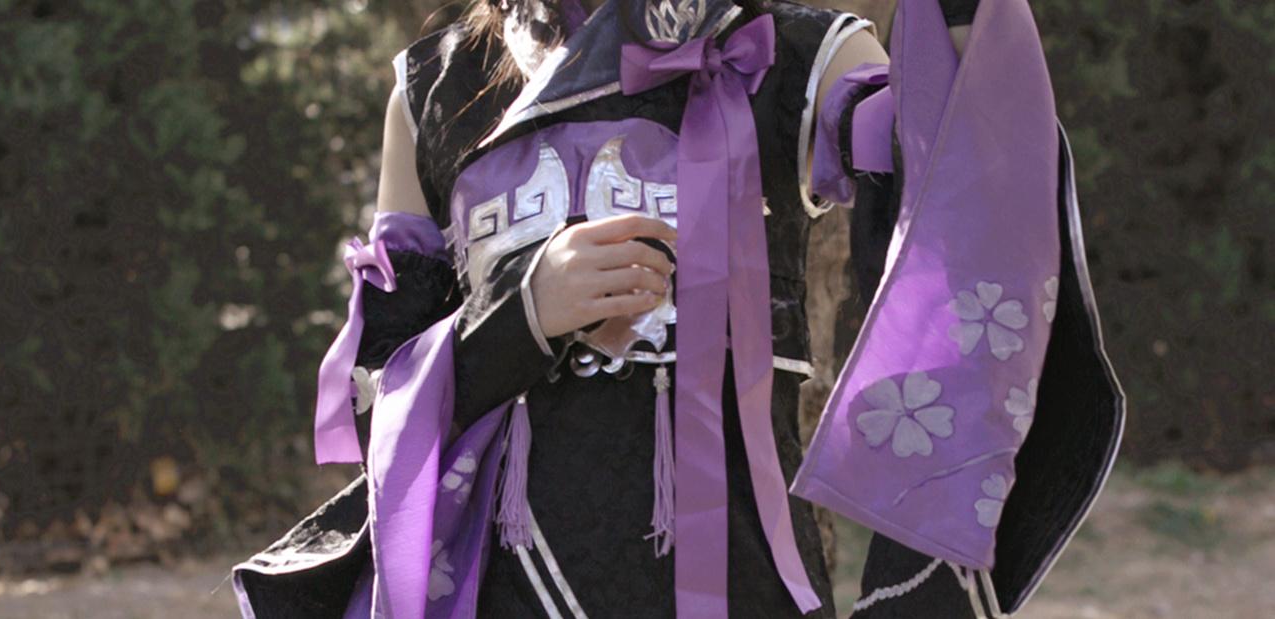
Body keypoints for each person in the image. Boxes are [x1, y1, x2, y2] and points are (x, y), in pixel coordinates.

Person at [232, 1, 1125, 617]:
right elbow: (375, 399)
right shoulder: (434, 85)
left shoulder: (789, 49)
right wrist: (524, 314)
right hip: (509, 583)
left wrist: (962, 23)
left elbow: (959, 164)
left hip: (738, 579)